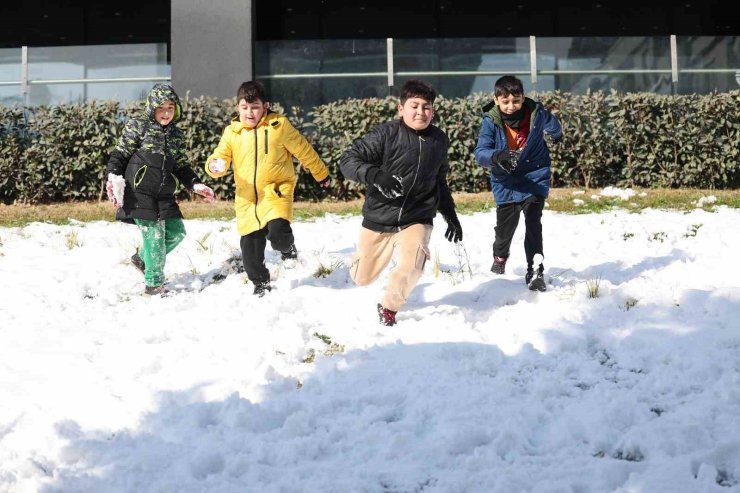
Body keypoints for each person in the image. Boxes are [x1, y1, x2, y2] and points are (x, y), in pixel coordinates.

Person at [340, 79, 463, 326]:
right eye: (414, 106)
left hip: (417, 217)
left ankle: (389, 308)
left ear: (433, 111)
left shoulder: (439, 140)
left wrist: (450, 214)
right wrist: (375, 175)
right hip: (379, 217)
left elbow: (439, 180)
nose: (420, 112)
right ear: (401, 108)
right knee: (361, 278)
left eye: (426, 107)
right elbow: (348, 160)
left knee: (414, 262)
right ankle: (361, 263)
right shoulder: (385, 134)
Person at [204, 80, 330, 297]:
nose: (249, 113)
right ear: (238, 108)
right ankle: (261, 284)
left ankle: (287, 248)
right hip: (247, 199)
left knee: (278, 234)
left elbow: (303, 150)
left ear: (265, 106)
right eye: (244, 108)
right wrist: (215, 166)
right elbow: (220, 155)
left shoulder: (278, 126)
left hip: (275, 191)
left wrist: (321, 174)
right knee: (250, 252)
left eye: (255, 107)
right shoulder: (232, 132)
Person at [106, 83, 215, 295]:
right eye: (161, 108)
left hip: (163, 193)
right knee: (154, 237)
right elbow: (119, 154)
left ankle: (141, 259)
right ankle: (154, 285)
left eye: (170, 108)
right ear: (152, 108)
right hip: (138, 192)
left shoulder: (176, 135)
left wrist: (195, 184)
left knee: (175, 232)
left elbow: (182, 165)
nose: (166, 113)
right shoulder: (139, 126)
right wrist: (113, 176)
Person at [473, 75, 562, 291]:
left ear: (523, 98)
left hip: (534, 175)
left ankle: (535, 269)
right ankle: (500, 255)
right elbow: (480, 152)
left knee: (534, 222)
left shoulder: (536, 113)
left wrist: (556, 135)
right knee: (505, 230)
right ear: (496, 100)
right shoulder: (490, 121)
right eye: (505, 102)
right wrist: (497, 156)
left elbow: (553, 125)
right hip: (506, 180)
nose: (511, 106)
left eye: (516, 100)